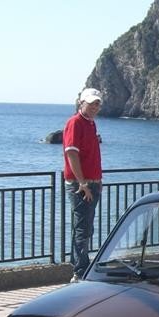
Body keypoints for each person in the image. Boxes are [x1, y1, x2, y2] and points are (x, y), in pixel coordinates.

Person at [63, 87, 104, 281]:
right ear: (82, 103)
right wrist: (83, 183)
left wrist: (98, 180)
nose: (95, 106)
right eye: (92, 103)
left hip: (92, 183)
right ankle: (80, 271)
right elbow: (71, 153)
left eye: (97, 103)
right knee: (82, 227)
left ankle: (80, 267)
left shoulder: (90, 124)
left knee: (86, 226)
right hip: (82, 185)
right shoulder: (75, 123)